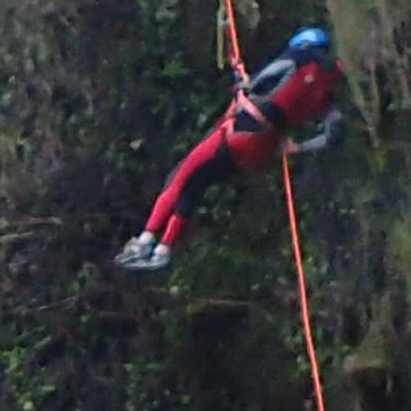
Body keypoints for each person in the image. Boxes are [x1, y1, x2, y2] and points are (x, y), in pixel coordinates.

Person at [114, 24, 345, 274]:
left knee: (180, 178)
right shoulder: (329, 86)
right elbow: (334, 133)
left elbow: (261, 81)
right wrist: (298, 147)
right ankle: (163, 250)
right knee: (196, 186)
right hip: (258, 152)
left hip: (240, 132)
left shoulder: (299, 57)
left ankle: (145, 240)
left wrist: (242, 82)